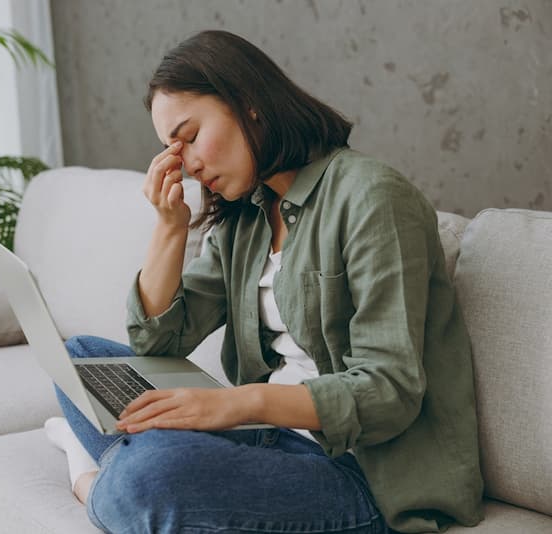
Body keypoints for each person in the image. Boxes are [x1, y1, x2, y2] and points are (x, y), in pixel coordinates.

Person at [44, 30, 484, 533]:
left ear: (248, 103)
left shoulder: (371, 196)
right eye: (172, 148)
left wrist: (231, 406)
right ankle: (134, 476)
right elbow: (155, 342)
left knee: (146, 478)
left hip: (358, 474)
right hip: (267, 439)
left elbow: (389, 391)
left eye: (189, 136)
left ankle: (92, 477)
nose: (186, 162)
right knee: (78, 358)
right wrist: (169, 227)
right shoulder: (246, 216)